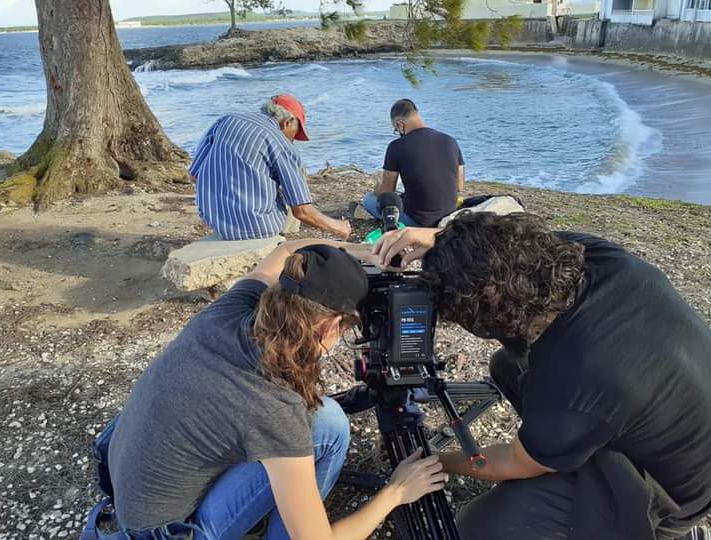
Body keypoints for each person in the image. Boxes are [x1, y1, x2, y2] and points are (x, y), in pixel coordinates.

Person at [373, 212, 711, 540]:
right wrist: (442, 240)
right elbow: (497, 253)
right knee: (507, 365)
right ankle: (563, 444)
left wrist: (438, 461)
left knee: (477, 527)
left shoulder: (577, 373)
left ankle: (633, 522)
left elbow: (512, 461)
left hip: (671, 494)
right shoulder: (593, 256)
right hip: (675, 418)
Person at [89, 240, 445, 539]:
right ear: (331, 326)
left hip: (128, 491)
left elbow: (288, 248)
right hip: (160, 532)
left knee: (328, 420)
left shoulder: (230, 309)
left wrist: (355, 252)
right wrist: (395, 493)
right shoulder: (276, 405)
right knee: (328, 431)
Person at [190, 94, 351, 241]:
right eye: (296, 132)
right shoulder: (282, 144)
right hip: (257, 228)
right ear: (287, 122)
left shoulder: (226, 120)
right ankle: (285, 233)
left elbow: (194, 174)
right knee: (294, 176)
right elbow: (301, 210)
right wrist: (337, 226)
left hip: (212, 217)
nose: (293, 140)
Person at [362, 99, 464, 227]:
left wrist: (377, 188)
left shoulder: (396, 146)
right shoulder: (450, 141)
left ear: (399, 124)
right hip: (449, 215)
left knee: (368, 200)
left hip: (418, 220)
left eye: (396, 130)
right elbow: (459, 186)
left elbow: (387, 191)